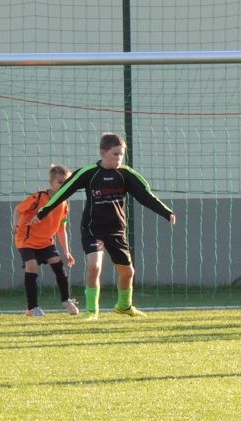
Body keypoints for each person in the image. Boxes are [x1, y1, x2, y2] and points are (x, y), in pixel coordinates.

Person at [32, 132, 177, 319]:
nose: (119, 158)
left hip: (117, 231)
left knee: (128, 272)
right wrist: (42, 212)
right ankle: (92, 311)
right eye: (115, 154)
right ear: (103, 153)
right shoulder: (89, 173)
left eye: (122, 154)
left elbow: (146, 196)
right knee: (94, 266)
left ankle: (124, 306)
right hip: (93, 230)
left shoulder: (126, 174)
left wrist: (167, 212)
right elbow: (64, 192)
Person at [12, 164, 79, 317]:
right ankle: (32, 308)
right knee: (32, 266)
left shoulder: (64, 203)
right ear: (51, 182)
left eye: (67, 183)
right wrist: (15, 224)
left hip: (46, 242)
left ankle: (66, 300)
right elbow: (18, 209)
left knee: (58, 264)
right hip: (26, 239)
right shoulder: (39, 198)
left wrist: (67, 252)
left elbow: (61, 229)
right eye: (60, 182)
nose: (64, 186)